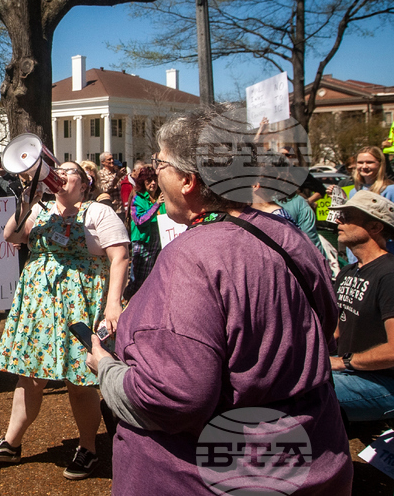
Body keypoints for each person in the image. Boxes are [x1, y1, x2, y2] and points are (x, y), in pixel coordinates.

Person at [86, 108, 352, 495]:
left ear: (188, 181)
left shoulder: (192, 256)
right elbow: (325, 327)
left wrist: (107, 369)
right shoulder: (286, 234)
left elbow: (174, 398)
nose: (155, 174)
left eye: (160, 163)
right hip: (312, 460)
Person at [0, 162, 130, 481]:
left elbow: (120, 256)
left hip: (80, 305)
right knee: (29, 376)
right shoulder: (40, 210)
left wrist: (113, 304)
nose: (61, 174)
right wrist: (26, 204)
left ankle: (88, 448)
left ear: (84, 184)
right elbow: (11, 235)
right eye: (58, 169)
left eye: (69, 171)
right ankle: (11, 444)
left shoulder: (98, 212)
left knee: (79, 381)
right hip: (38, 305)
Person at [329, 191, 394, 424]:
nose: (338, 220)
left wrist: (343, 361)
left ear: (375, 227)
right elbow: (337, 331)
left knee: (305, 391)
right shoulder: (348, 271)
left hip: (384, 382)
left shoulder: (389, 274)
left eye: (347, 216)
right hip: (350, 372)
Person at [124, 165, 164, 300]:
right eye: (149, 181)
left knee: (154, 277)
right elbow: (140, 220)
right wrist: (156, 205)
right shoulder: (138, 198)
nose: (153, 183)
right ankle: (130, 303)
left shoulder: (162, 196)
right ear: (143, 182)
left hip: (158, 241)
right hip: (142, 242)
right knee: (138, 279)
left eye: (155, 180)